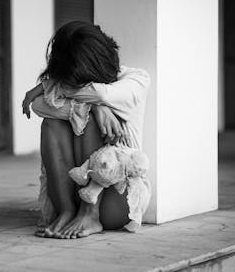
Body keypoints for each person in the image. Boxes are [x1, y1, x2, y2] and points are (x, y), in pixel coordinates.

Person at [22, 21, 150, 239]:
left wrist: (51, 86)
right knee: (52, 123)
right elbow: (38, 106)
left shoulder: (134, 81)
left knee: (88, 122)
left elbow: (101, 95)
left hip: (114, 202)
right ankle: (67, 211)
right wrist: (94, 107)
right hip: (70, 196)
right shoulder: (69, 84)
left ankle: (89, 213)